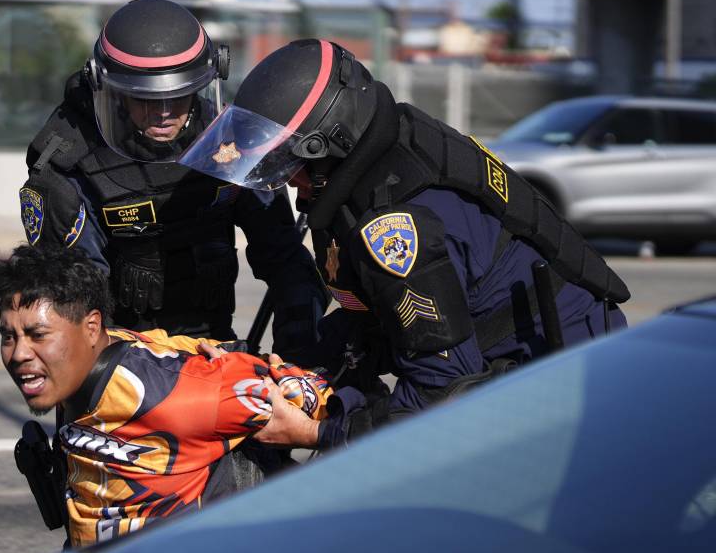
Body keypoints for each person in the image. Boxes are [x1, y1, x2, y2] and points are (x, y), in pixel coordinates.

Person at [178, 39, 630, 441]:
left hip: (561, 379)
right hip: (520, 353)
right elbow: (375, 317)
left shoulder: (394, 226)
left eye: (286, 164)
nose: (285, 182)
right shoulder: (383, 155)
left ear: (327, 148)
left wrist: (317, 432)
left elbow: (443, 395)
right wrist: (292, 371)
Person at [19, 0, 324, 361]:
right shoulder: (68, 166)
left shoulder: (232, 142)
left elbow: (285, 259)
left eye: (178, 97)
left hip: (213, 347)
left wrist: (299, 355)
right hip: (115, 354)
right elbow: (76, 300)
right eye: (145, 99)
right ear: (111, 90)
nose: (163, 113)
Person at [0, 244, 334, 548]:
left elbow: (318, 397)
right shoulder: (76, 364)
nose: (18, 354)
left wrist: (290, 397)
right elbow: (170, 344)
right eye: (9, 337)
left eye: (37, 335)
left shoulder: (176, 393)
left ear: (91, 328)